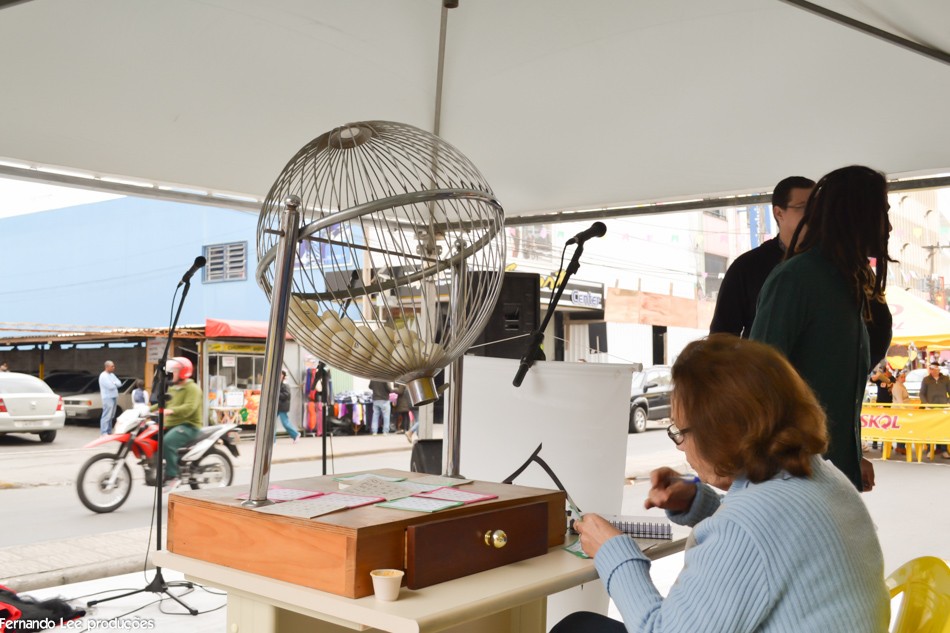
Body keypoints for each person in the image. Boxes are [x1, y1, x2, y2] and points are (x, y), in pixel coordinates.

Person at [554, 334, 889, 633]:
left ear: (723, 434)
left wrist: (613, 552)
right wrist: (697, 502)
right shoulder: (821, 476)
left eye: (680, 432)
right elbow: (766, 542)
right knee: (580, 626)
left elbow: (663, 628)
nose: (680, 447)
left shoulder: (748, 525)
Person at [750, 165, 893, 492]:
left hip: (834, 475)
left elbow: (835, 390)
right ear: (855, 214)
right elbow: (756, 384)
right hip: (794, 482)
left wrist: (852, 453)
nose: (888, 226)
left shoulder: (853, 281)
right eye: (882, 213)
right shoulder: (797, 278)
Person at [709, 176, 815, 337]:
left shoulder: (831, 263)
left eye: (817, 206)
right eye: (803, 207)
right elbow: (722, 336)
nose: (813, 214)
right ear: (779, 213)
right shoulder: (748, 266)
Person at [156, 357, 203, 492]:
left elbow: (189, 408)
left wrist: (171, 411)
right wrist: (147, 409)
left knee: (167, 442)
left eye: (175, 371)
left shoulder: (193, 389)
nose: (173, 373)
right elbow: (164, 403)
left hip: (189, 426)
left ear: (184, 372)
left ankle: (173, 475)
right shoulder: (174, 388)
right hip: (173, 425)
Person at [918, 361, 950, 459]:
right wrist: (926, 404)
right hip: (930, 409)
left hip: (943, 408)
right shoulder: (926, 380)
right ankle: (929, 449)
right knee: (930, 429)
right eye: (931, 369)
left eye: (935, 369)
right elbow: (922, 394)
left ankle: (944, 450)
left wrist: (948, 403)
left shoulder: (946, 379)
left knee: (943, 429)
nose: (933, 371)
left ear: (938, 369)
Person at [98, 360, 122, 435]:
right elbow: (110, 386)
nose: (114, 367)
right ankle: (104, 432)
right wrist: (115, 383)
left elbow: (120, 383)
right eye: (112, 366)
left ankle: (109, 431)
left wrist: (114, 383)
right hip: (107, 398)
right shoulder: (103, 376)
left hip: (114, 396)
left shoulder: (112, 375)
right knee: (106, 415)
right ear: (107, 367)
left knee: (111, 415)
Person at [276, 370, 300, 444]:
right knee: (272, 424)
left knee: (285, 422)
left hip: (282, 407)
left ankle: (295, 434)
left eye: (280, 374)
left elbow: (287, 395)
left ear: (283, 376)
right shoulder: (277, 384)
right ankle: (272, 440)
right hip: (277, 407)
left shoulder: (285, 385)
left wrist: (277, 394)